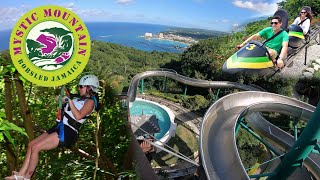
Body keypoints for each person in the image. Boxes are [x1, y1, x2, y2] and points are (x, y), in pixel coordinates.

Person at [5, 75, 99, 180]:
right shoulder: (78, 98)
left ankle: (26, 177)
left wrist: (69, 101)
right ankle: (21, 174)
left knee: (36, 148)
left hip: (68, 131)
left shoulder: (90, 102)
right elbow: (68, 107)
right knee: (31, 145)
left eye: (81, 86)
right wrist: (61, 101)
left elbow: (78, 116)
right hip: (59, 126)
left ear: (89, 88)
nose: (79, 88)